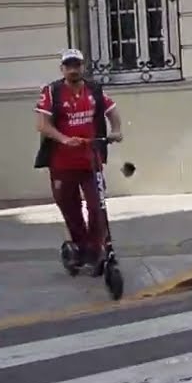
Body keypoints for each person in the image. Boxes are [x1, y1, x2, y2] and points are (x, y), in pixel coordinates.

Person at [34, 49, 123, 270]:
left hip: (90, 160)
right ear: (62, 69)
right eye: (69, 66)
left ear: (83, 67)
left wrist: (117, 130)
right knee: (70, 207)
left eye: (77, 65)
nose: (73, 70)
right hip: (62, 163)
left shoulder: (94, 89)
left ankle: (96, 249)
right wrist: (64, 139)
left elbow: (111, 111)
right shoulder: (52, 92)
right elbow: (42, 125)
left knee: (96, 206)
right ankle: (82, 247)